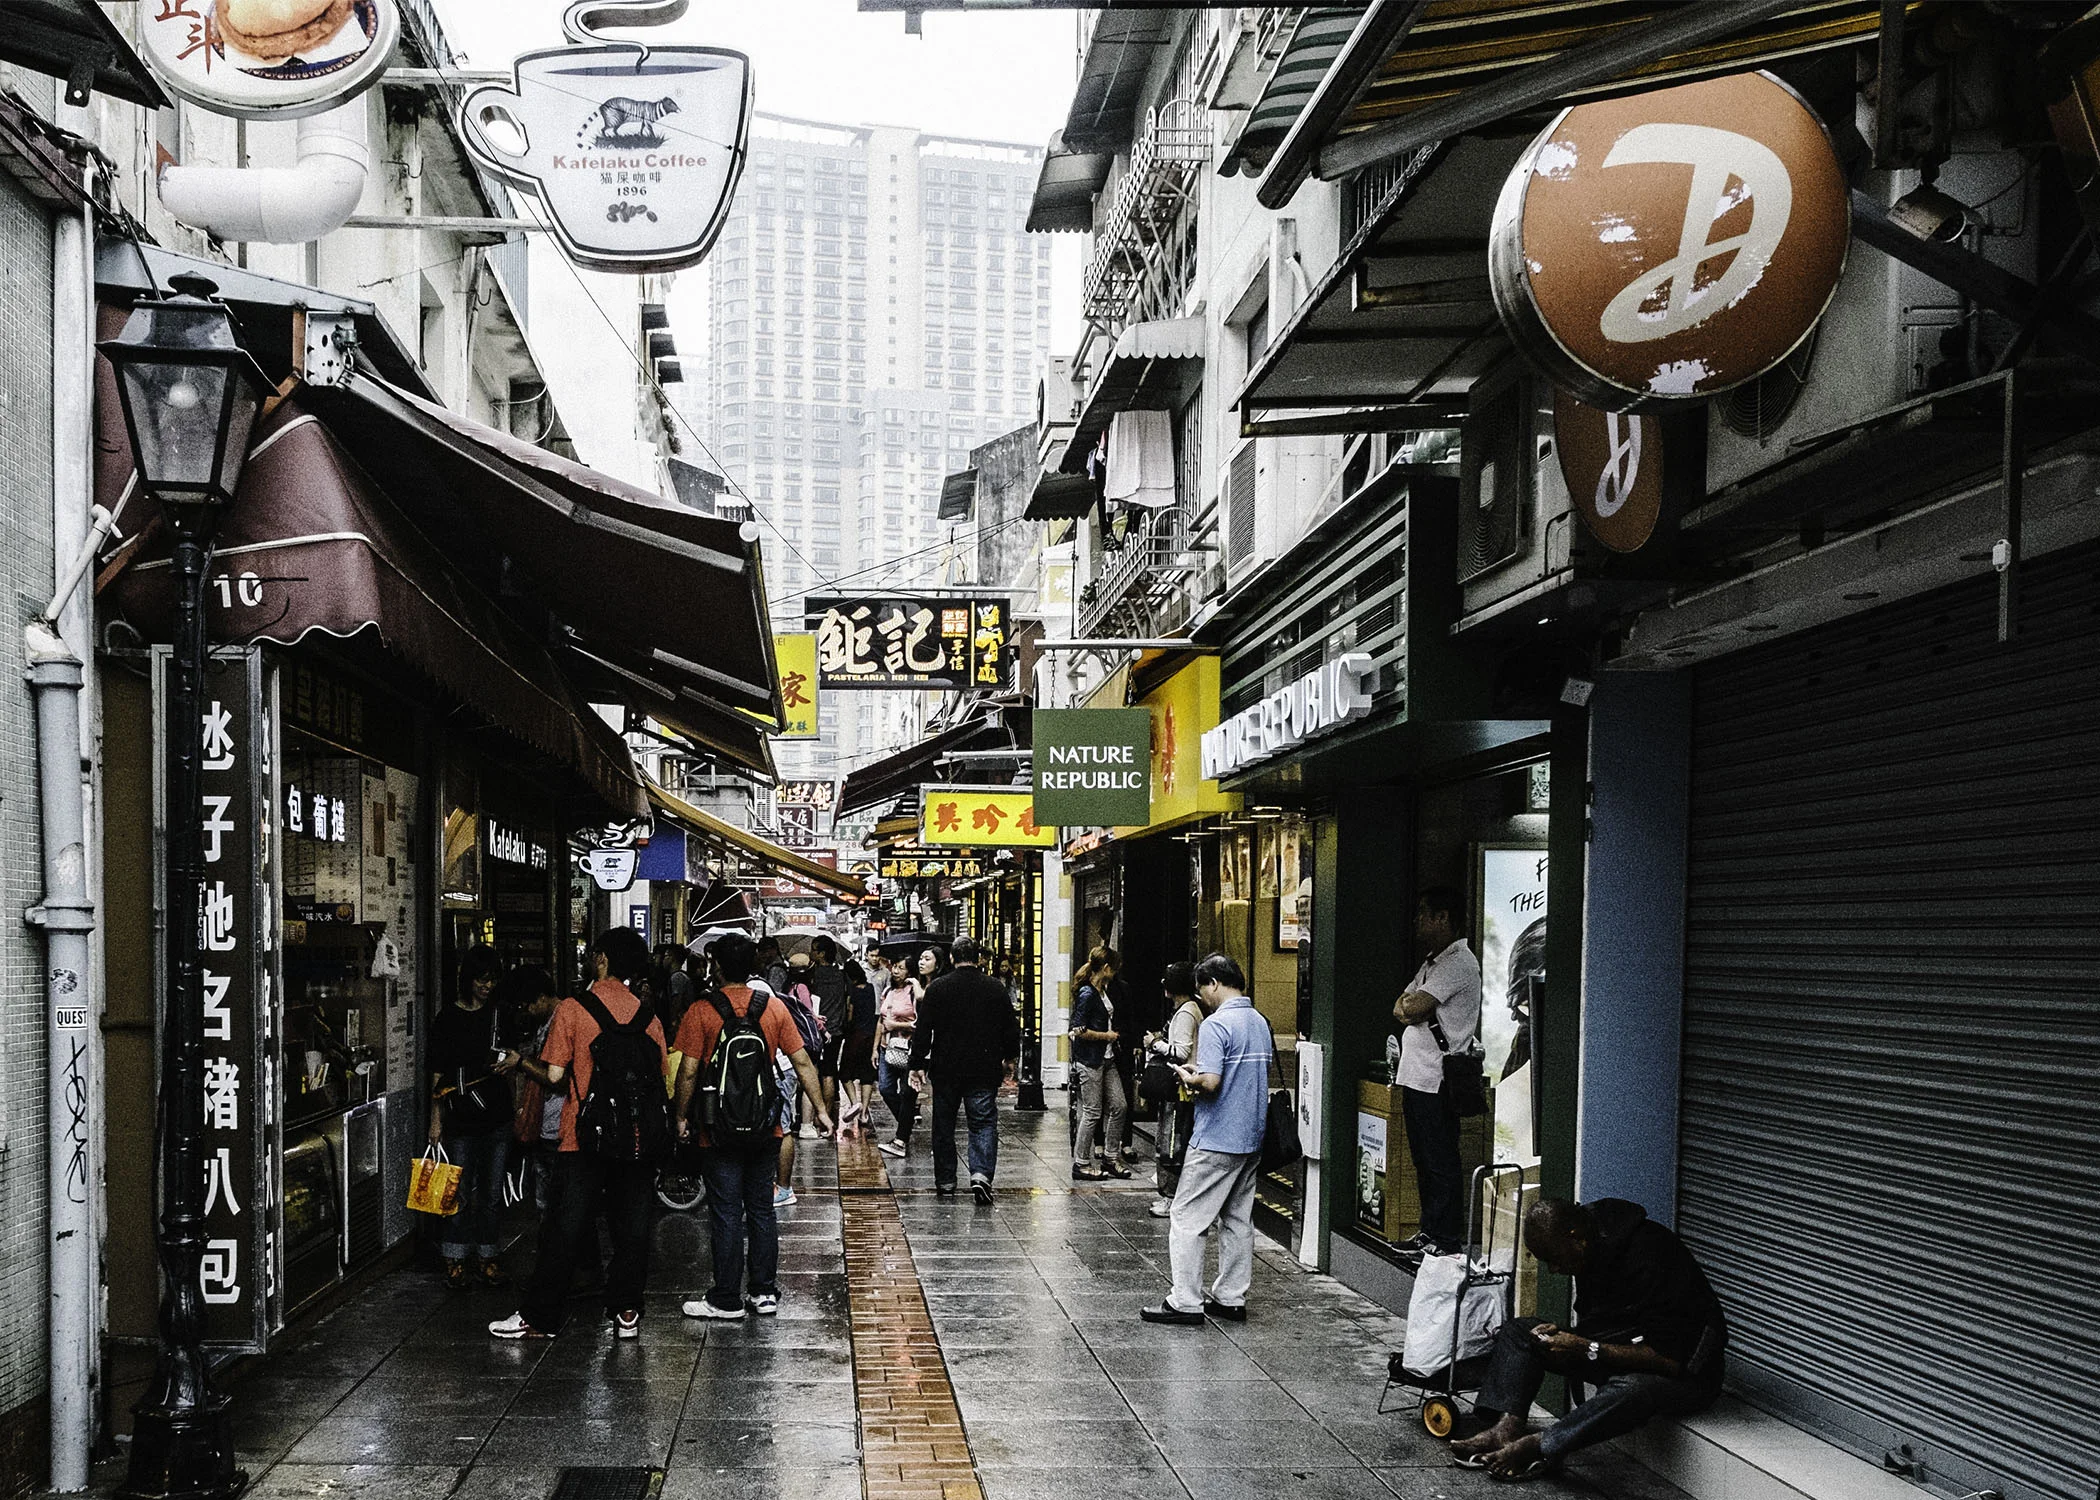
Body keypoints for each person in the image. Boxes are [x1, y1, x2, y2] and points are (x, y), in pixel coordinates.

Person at [1450, 1198, 1729, 1480]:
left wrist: (1587, 1347)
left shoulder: (1652, 1256)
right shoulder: (1590, 1248)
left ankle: (1541, 1446)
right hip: (1621, 1350)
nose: (1554, 1270)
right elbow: (1601, 1325)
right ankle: (1506, 1428)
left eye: (1553, 1259)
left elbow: (1670, 1360)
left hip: (1686, 1375)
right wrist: (1565, 1338)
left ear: (1576, 1238)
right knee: (1519, 1332)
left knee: (1631, 1388)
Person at [490, 927, 665, 1341]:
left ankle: (541, 1316)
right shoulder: (648, 1014)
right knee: (633, 1226)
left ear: (602, 959)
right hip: (638, 1136)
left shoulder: (573, 1008)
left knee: (564, 1227)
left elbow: (553, 1075)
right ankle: (627, 1313)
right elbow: (658, 1076)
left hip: (581, 1135)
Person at [673, 934, 831, 1320]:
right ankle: (763, 1293)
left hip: (717, 1126)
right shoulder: (773, 1009)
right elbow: (803, 1061)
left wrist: (680, 1115)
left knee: (726, 1211)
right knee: (761, 1209)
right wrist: (822, 1111)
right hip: (765, 1126)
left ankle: (726, 1298)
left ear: (717, 967)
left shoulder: (701, 1010)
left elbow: (689, 1071)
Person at [1141, 953, 1270, 1326]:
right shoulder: (1258, 1021)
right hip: (1251, 1137)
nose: (1202, 998)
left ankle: (1185, 1300)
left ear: (1213, 983)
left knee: (1186, 1216)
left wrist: (1188, 1076)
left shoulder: (1217, 1025)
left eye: (1202, 989)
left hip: (1216, 1137)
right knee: (1237, 1220)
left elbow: (1211, 1082)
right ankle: (1231, 1297)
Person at [1389, 885, 1482, 1256]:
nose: (1417, 922)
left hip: (1439, 1078)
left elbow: (1413, 1007)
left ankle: (1445, 1238)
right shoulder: (1433, 962)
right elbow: (1402, 1004)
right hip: (1417, 1076)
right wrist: (1411, 1006)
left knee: (1441, 1159)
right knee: (1423, 1160)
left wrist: (1412, 1007)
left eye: (1423, 914)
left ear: (1442, 918)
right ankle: (1428, 1233)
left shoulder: (1460, 962)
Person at [907, 936, 1019, 1205]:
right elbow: (1009, 1026)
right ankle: (980, 1174)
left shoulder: (938, 988)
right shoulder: (994, 988)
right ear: (977, 957)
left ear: (953, 958)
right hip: (983, 1068)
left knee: (943, 1125)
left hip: (946, 1069)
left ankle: (946, 1181)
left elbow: (923, 1030)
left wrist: (917, 1064)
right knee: (982, 1122)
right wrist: (1010, 1058)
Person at [428, 948, 514, 1290]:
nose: (487, 985)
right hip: (460, 1118)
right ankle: (455, 1258)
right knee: (458, 1192)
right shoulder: (447, 1018)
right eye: (482, 979)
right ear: (468, 980)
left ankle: (488, 1257)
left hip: (497, 1116)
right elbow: (436, 1074)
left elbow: (514, 1063)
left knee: (492, 1194)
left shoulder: (500, 1015)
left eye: (492, 979)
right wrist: (436, 1120)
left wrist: (519, 1106)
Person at [1145, 962, 1204, 1218]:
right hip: (1186, 1086)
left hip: (1180, 1087)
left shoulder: (1186, 1013)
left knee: (1170, 1141)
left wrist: (1155, 1043)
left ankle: (1169, 1197)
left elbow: (1180, 1052)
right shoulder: (1192, 1009)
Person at [1069, 946, 1131, 1181]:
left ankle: (1110, 1156)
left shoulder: (1102, 990)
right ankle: (1081, 1162)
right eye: (1113, 970)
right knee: (1093, 1112)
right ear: (1105, 968)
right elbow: (1077, 1029)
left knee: (1120, 1106)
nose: (1114, 974)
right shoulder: (1088, 993)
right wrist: (1106, 1036)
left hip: (1106, 1058)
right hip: (1091, 1060)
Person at [874, 964, 919, 1158]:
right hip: (887, 1048)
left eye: (901, 968)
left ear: (909, 972)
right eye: (895, 967)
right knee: (885, 1088)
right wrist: (875, 1048)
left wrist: (897, 1025)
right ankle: (906, 1121)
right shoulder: (888, 990)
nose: (896, 971)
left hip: (907, 1048)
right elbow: (881, 1020)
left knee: (907, 1092)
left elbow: (920, 1023)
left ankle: (902, 1134)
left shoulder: (913, 993)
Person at [804, 935, 850, 1123]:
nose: (811, 953)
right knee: (830, 1071)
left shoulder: (813, 975)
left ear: (822, 954)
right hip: (836, 1030)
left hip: (816, 1030)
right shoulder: (841, 975)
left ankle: (816, 1114)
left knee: (813, 1071)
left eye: (814, 950)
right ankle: (826, 1115)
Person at [836, 959, 880, 1134]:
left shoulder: (853, 992)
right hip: (870, 1036)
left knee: (845, 1073)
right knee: (867, 1076)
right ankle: (863, 1114)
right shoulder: (869, 988)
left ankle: (855, 1103)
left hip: (855, 1036)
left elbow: (850, 1015)